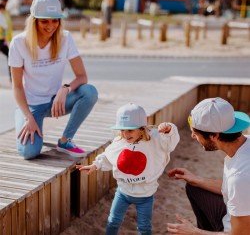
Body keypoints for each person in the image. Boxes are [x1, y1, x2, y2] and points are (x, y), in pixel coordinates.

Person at [8, 0, 98, 160]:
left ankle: (65, 140)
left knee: (90, 91)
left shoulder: (66, 38)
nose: (51, 26)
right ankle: (24, 118)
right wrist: (28, 117)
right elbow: (17, 86)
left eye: (55, 20)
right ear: (34, 21)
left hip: (57, 103)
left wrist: (64, 90)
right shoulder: (19, 43)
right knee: (29, 152)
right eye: (45, 21)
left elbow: (82, 77)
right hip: (31, 106)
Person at [76, 103, 180, 235]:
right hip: (123, 192)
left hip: (145, 195)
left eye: (130, 130)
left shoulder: (155, 139)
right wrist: (95, 165)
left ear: (142, 128)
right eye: (122, 130)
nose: (125, 134)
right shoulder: (120, 141)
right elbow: (109, 156)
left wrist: (169, 129)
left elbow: (170, 143)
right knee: (113, 221)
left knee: (144, 227)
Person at [167, 97, 250, 234]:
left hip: (238, 229)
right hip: (239, 218)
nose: (193, 136)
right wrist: (198, 180)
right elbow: (238, 190)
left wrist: (194, 232)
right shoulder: (245, 145)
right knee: (194, 187)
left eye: (195, 132)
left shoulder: (240, 176)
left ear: (214, 136)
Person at [0, 3, 10, 79]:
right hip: (1, 41)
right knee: (9, 56)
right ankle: (12, 77)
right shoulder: (1, 17)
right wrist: (6, 41)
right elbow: (5, 30)